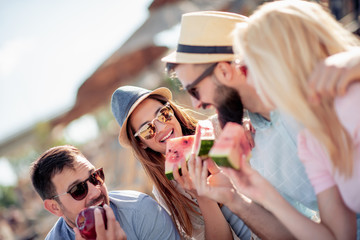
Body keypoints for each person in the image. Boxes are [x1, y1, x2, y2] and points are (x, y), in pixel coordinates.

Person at [162, 10, 317, 239]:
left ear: (224, 71)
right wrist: (235, 199)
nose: (197, 105)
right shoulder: (254, 145)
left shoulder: (310, 99)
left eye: (194, 90)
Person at [217, 0, 360, 239]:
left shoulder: (350, 98)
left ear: (282, 58)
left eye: (251, 68)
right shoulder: (310, 139)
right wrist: (264, 194)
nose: (249, 82)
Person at [111, 85, 251, 240]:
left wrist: (249, 127)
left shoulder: (217, 128)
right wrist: (201, 197)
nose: (162, 127)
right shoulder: (166, 192)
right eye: (147, 129)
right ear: (141, 143)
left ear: (172, 110)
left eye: (163, 114)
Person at [30, 145, 181, 240]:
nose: (96, 192)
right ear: (54, 207)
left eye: (95, 177)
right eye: (78, 190)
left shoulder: (141, 211)